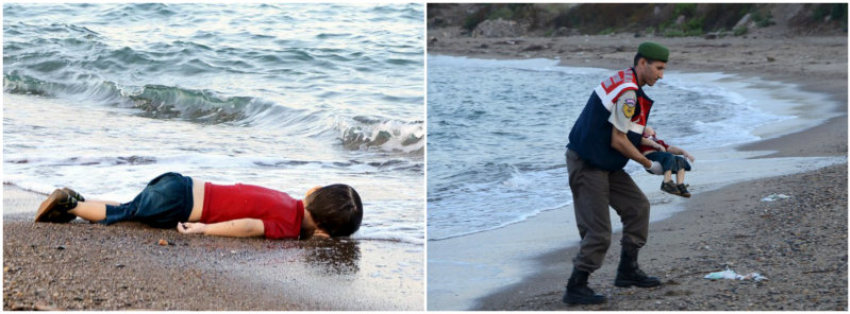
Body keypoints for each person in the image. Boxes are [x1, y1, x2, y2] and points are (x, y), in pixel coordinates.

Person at [563, 42, 669, 305]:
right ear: (642, 63)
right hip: (588, 164)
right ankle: (576, 286)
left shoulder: (626, 82)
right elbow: (618, 140)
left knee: (638, 207)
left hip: (606, 163)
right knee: (598, 232)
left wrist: (645, 135)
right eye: (658, 68)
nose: (661, 75)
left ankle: (627, 271)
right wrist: (648, 164)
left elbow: (621, 125)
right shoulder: (629, 93)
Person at [34, 172, 363, 240]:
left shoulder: (292, 201)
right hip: (182, 204)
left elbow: (315, 191)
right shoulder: (289, 227)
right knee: (123, 215)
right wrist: (206, 228)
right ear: (324, 228)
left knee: (131, 206)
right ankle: (70, 204)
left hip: (184, 184)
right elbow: (248, 226)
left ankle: (78, 199)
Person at [640, 125, 695, 197]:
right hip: (651, 159)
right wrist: (656, 145)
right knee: (669, 155)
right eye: (645, 134)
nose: (648, 133)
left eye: (651, 133)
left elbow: (670, 148)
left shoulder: (659, 141)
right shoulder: (642, 140)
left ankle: (680, 185)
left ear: (654, 133)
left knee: (680, 160)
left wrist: (684, 152)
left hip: (664, 162)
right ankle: (667, 182)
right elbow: (641, 140)